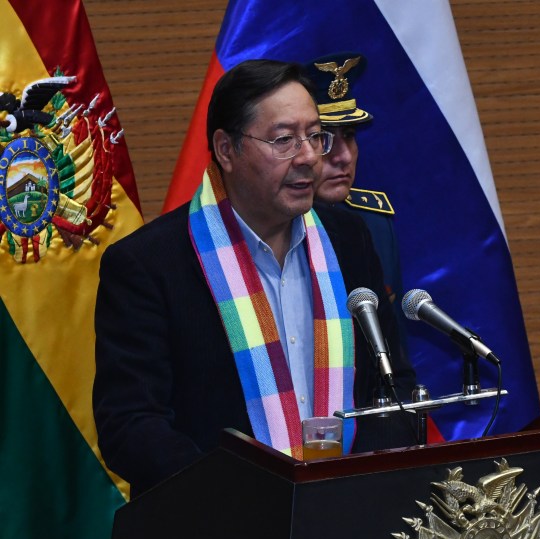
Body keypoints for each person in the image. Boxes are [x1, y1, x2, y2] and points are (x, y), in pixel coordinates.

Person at [93, 59, 416, 497]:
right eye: (284, 140)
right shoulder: (149, 264)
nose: (308, 158)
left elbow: (392, 384)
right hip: (216, 534)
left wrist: (353, 485)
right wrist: (240, 500)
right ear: (226, 150)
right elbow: (130, 426)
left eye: (314, 136)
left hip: (345, 517)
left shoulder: (348, 238)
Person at [305, 53, 407, 312]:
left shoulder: (375, 222)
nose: (345, 157)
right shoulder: (269, 227)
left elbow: (391, 338)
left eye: (349, 135)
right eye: (323, 138)